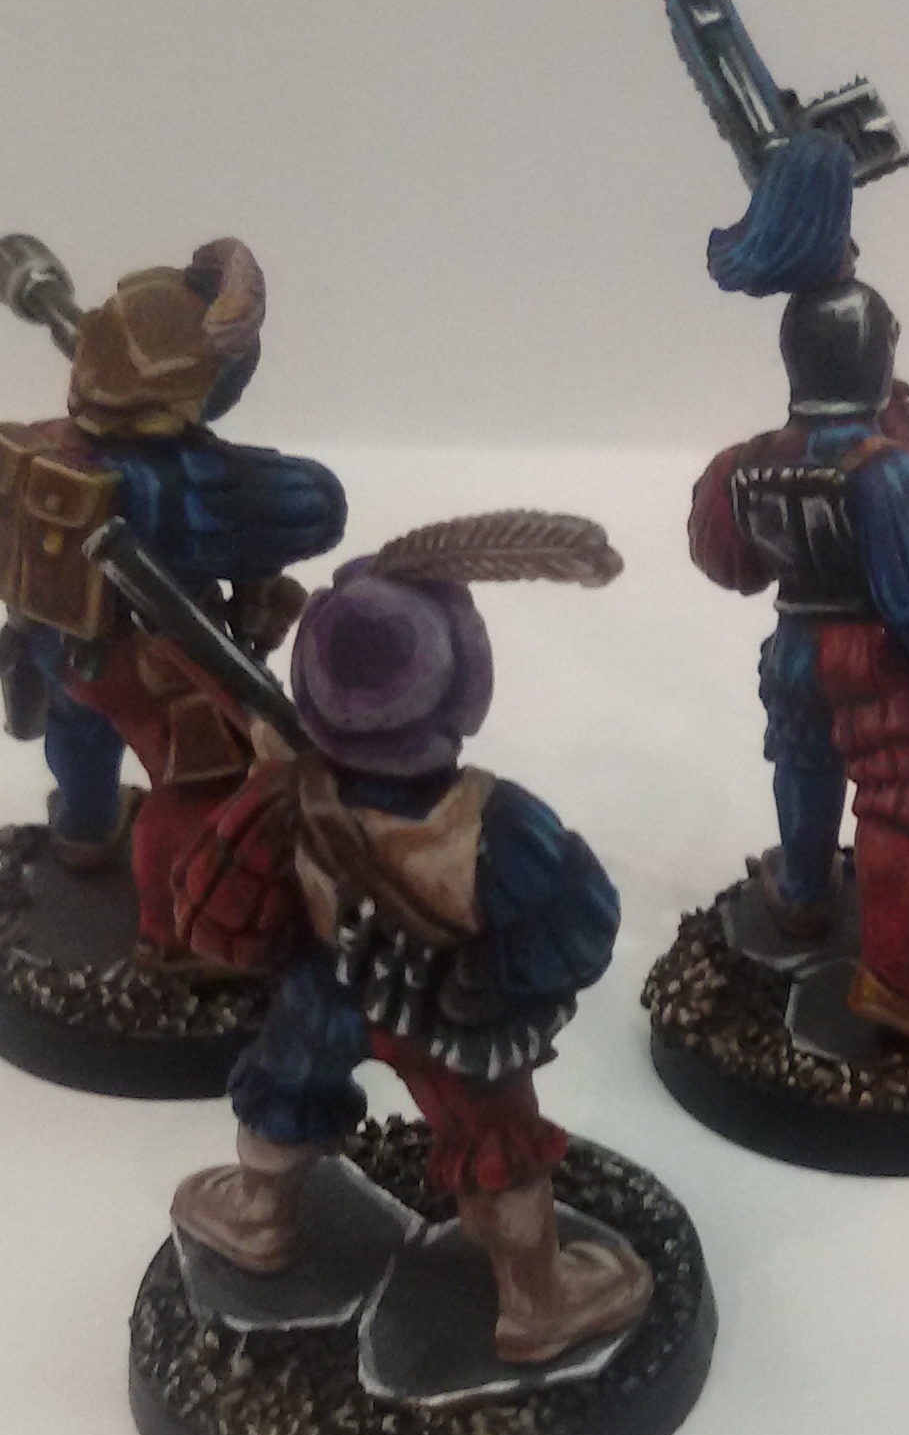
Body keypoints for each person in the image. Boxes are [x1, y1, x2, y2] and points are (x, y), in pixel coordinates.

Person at [165, 539, 648, 1364]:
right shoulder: (499, 823)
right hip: (439, 1015)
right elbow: (584, 929)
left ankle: (260, 1212)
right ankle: (536, 1296)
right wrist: (501, 982)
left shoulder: (296, 789)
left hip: (330, 991)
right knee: (496, 1143)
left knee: (288, 1082)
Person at [682, 131, 909, 1044]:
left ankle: (805, 893)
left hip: (793, 651)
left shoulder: (741, 463)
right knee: (897, 797)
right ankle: (887, 978)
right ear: (875, 358)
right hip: (877, 663)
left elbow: (727, 564)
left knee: (802, 763)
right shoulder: (894, 477)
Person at [0, 239, 345, 964]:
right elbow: (319, 505)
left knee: (79, 734)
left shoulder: (52, 445)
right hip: (155, 666)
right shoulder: (184, 486)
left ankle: (84, 832)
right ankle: (176, 939)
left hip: (61, 649)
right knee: (202, 787)